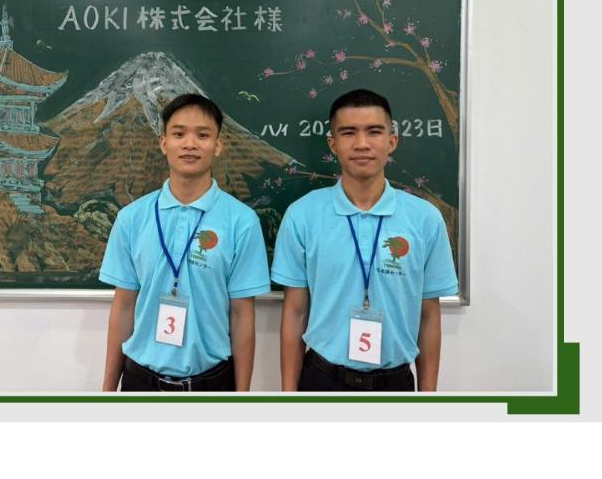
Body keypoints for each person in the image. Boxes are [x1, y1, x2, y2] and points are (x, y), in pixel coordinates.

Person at [272, 88, 458, 392]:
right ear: (333, 143)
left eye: (374, 131)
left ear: (392, 141)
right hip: (321, 379)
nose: (361, 143)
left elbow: (428, 316)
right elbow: (295, 312)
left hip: (395, 382)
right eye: (348, 132)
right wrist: (289, 396)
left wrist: (428, 400)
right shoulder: (303, 215)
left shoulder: (425, 219)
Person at [99, 93, 270, 392]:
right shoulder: (132, 218)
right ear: (164, 143)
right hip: (140, 381)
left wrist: (242, 396)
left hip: (212, 382)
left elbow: (242, 314)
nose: (190, 144)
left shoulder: (242, 221)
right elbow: (123, 306)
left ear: (218, 145)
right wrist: (107, 392)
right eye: (179, 134)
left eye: (202, 135)